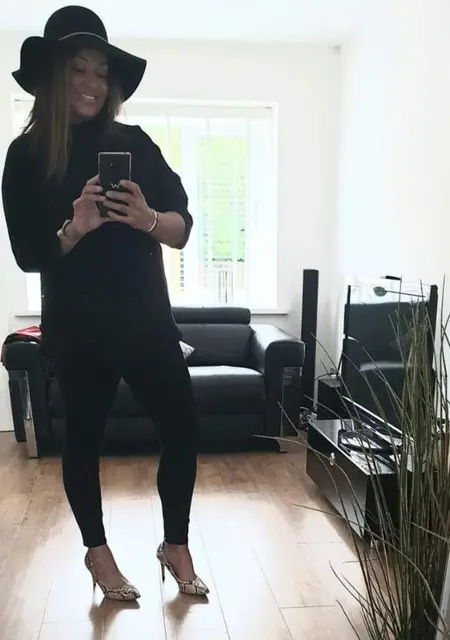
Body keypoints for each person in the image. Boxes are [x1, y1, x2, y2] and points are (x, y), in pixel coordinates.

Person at [1, 6, 209, 600]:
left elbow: (182, 228)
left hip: (147, 322)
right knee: (83, 444)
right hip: (79, 329)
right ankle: (97, 553)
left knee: (183, 431)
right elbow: (27, 254)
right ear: (53, 77)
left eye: (100, 70)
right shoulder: (26, 155)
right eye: (78, 69)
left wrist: (148, 219)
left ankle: (175, 544)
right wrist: (73, 229)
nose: (92, 82)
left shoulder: (135, 143)